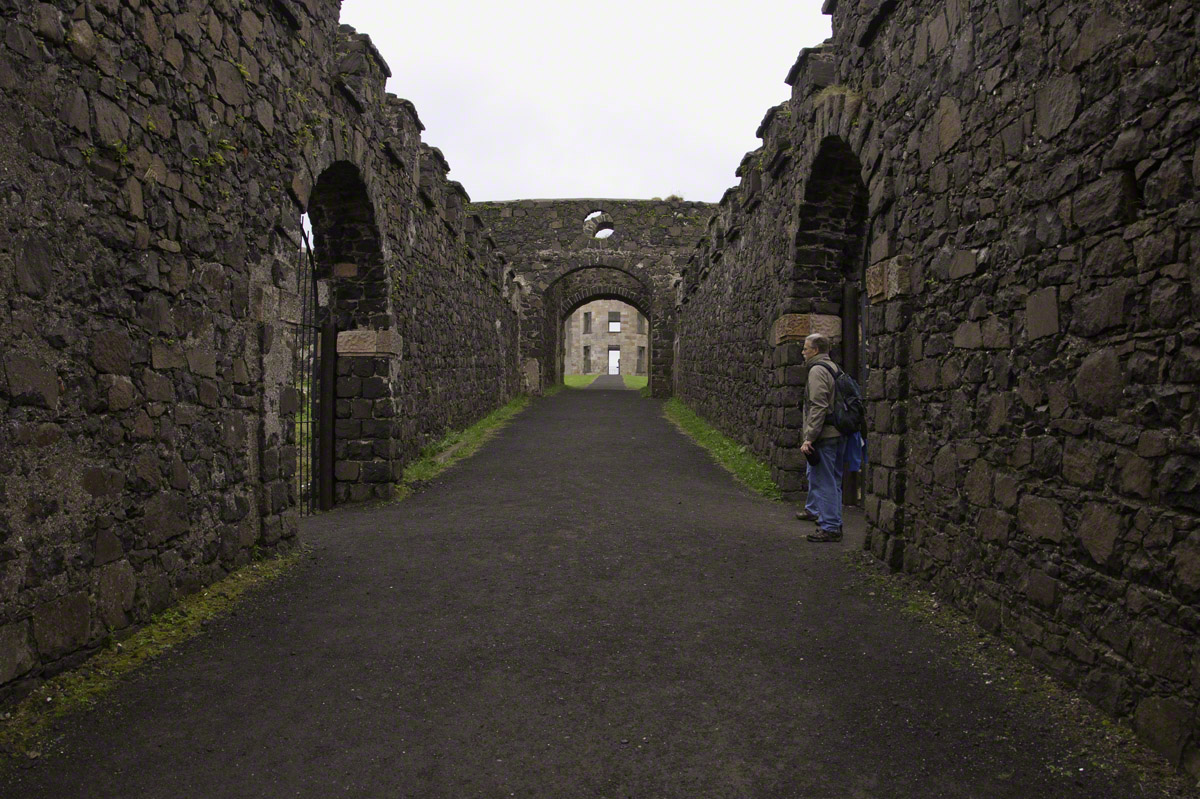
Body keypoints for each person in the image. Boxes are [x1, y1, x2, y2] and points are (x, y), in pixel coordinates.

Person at [795, 333, 849, 542]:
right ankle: (831, 520)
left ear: (815, 350)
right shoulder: (835, 368)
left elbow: (818, 405)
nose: (803, 352)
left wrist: (809, 436)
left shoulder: (817, 370)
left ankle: (830, 527)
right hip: (838, 432)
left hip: (825, 434)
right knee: (833, 480)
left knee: (823, 480)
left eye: (806, 348)